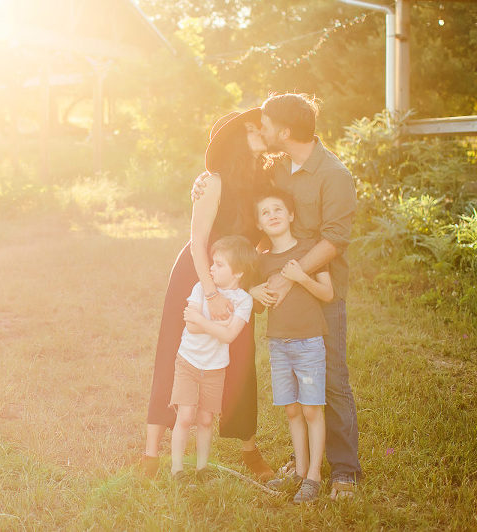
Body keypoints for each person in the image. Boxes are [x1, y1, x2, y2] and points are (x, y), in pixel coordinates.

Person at [193, 93, 362, 499]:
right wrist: (205, 178)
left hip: (319, 287)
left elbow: (335, 239)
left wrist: (291, 277)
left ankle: (344, 470)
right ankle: (303, 464)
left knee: (331, 377)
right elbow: (238, 183)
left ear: (284, 132)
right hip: (283, 288)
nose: (261, 128)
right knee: (296, 381)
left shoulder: (334, 175)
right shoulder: (278, 168)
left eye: (266, 123)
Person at [142, 108, 275, 481]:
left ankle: (249, 449)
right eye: (254, 128)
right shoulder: (214, 183)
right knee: (174, 354)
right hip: (197, 274)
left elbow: (265, 237)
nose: (263, 132)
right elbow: (197, 240)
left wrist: (250, 280)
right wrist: (212, 293)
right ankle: (150, 453)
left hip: (237, 278)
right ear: (237, 139)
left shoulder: (266, 182)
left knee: (241, 357)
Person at [249, 189, 333, 503]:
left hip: (309, 342)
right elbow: (258, 305)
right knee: (292, 410)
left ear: (291, 214)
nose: (272, 215)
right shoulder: (262, 261)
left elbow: (327, 294)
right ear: (259, 224)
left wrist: (301, 277)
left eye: (278, 209)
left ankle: (314, 476)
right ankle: (299, 472)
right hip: (278, 345)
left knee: (311, 409)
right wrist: (253, 291)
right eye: (265, 212)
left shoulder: (309, 249)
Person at [171, 236, 257, 482]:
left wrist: (201, 320)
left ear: (238, 272)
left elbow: (228, 336)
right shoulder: (201, 288)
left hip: (215, 367)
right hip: (188, 361)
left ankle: (202, 469)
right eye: (213, 262)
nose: (211, 268)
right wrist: (216, 326)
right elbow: (191, 326)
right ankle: (177, 469)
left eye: (219, 265)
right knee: (185, 416)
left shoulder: (244, 300)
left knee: (206, 419)